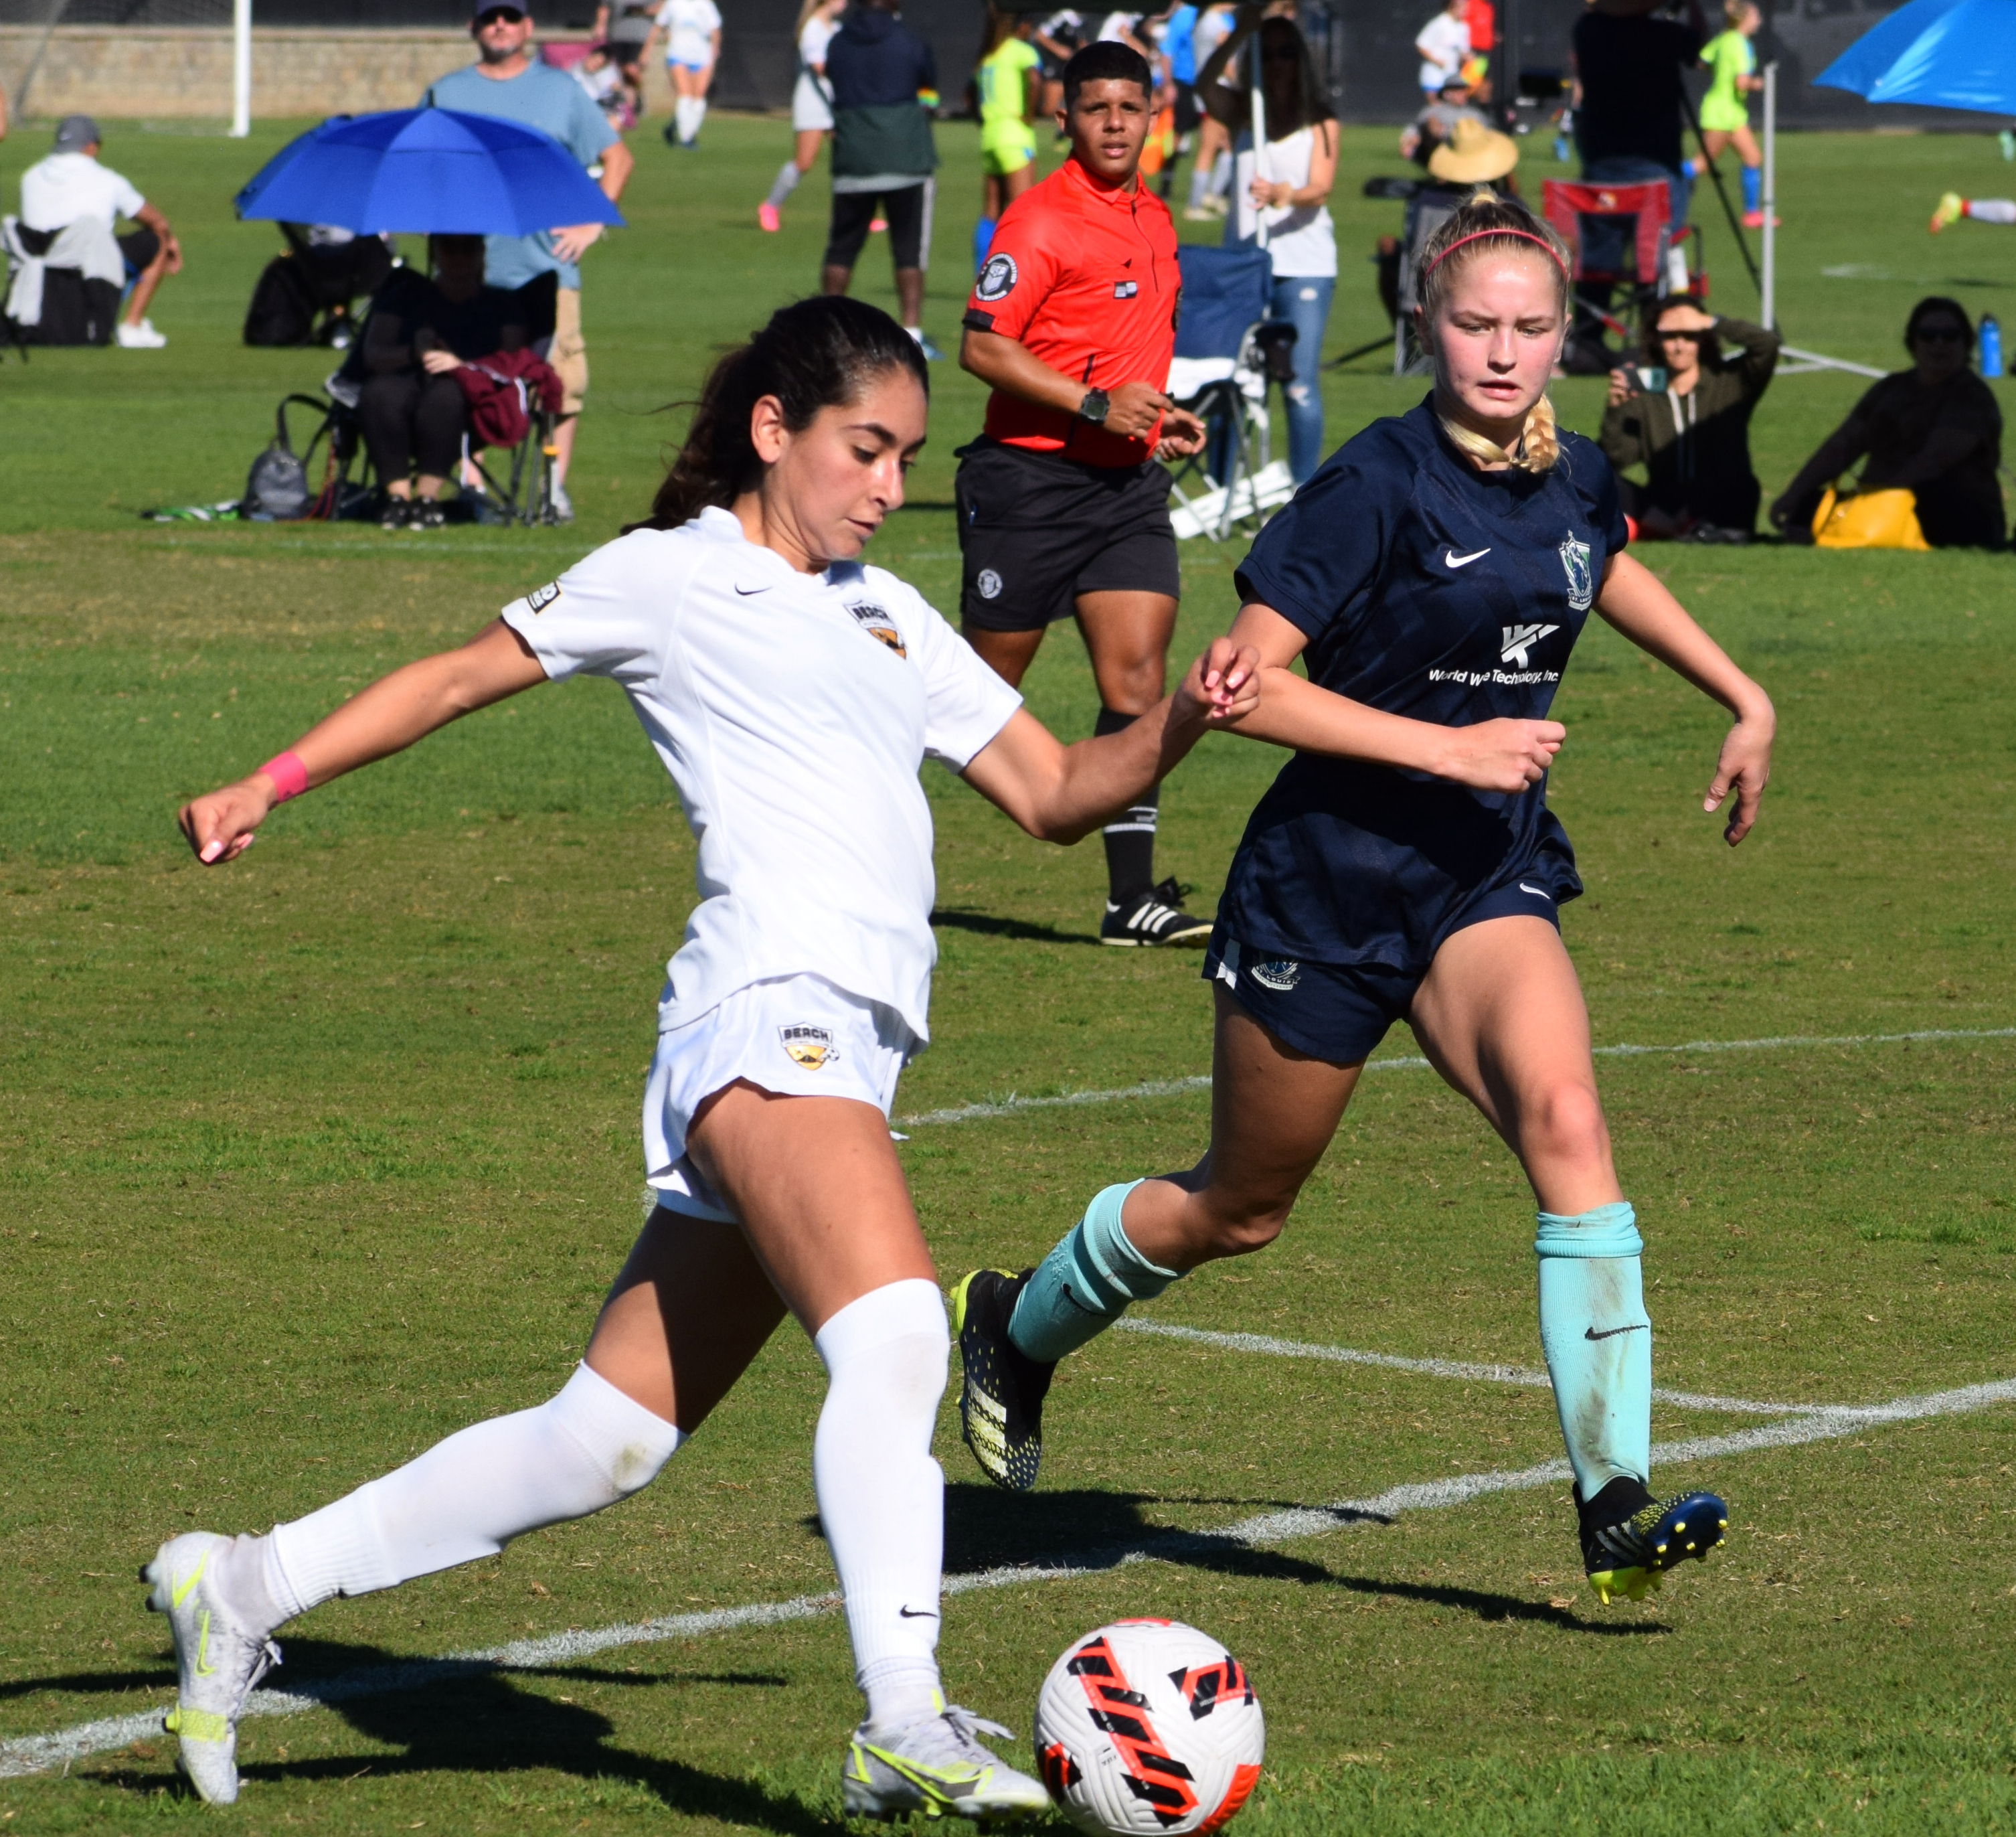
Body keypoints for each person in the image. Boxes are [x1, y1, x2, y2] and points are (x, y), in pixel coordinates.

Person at [145, 292, 1258, 1815]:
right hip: (761, 1011)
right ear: (772, 430)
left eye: (905, 458)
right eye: (864, 450)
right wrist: (269, 778)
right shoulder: (670, 580)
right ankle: (905, 1720)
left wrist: (1191, 712)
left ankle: (246, 1586)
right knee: (897, 1337)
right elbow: (460, 676)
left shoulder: (886, 610)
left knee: (600, 1442)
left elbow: (1060, 788)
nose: (886, 486)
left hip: (846, 1048)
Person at [953, 191, 1776, 1616]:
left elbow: (1606, 566)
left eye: (1529, 328)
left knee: (1570, 1125)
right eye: (1475, 326)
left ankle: (1615, 1501)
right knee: (1240, 1207)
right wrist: (1450, 745)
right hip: (1326, 883)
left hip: (1482, 870)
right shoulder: (1374, 481)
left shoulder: (1575, 474)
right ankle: (1016, 1327)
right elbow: (1246, 681)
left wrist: (1743, 691)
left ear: (1564, 338)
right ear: (1428, 329)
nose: (1503, 353)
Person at [956, 39, 1214, 947]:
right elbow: (981, 346)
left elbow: (1123, 348)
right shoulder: (1037, 220)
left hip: (1125, 486)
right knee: (972, 697)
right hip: (1026, 482)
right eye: (1095, 107)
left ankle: (1131, 900)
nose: (1114, 123)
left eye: (1129, 108)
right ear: (1062, 117)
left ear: (1153, 116)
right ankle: (838, 841)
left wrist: (1156, 416)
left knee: (1139, 680)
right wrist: (1096, 403)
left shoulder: (1154, 215)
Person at [424, 1, 635, 524]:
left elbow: (618, 157)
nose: (501, 26)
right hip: (464, 277)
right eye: (491, 17)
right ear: (473, 26)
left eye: (511, 17)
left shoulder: (560, 91)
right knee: (463, 379)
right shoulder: (446, 94)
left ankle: (552, 488)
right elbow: (420, 167)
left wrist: (592, 222)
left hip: (547, 269)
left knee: (561, 381)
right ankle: (470, 483)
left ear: (528, 28)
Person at [1199, 7, 1338, 485]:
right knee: (1232, 378)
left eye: (1286, 54)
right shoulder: (1243, 112)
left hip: (1304, 264)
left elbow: (1319, 187)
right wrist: (1242, 32)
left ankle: (1304, 487)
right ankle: (1223, 485)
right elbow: (1204, 84)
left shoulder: (1319, 120)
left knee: (1297, 383)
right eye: (1268, 54)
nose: (1278, 64)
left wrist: (1283, 194)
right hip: (1245, 264)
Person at [1770, 297, 2005, 550]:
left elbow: (1936, 458)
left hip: (1948, 507)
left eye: (1950, 335)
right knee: (1810, 504)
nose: (1939, 344)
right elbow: (1845, 443)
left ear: (1966, 343)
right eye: (1928, 335)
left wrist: (1882, 497)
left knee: (1939, 496)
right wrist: (1795, 494)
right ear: (1912, 343)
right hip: (1881, 499)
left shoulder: (1971, 397)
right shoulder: (1891, 389)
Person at [357, 234, 537, 530]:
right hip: (407, 380)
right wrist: (414, 352)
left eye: (467, 248)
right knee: (380, 393)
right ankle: (398, 498)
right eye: (449, 248)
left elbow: (514, 361)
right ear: (435, 253)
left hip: (472, 394)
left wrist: (463, 366)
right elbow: (372, 354)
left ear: (481, 253)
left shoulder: (502, 304)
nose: (459, 257)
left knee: (446, 396)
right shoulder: (406, 296)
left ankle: (427, 499)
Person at [823, 0, 942, 358]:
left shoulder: (838, 42)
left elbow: (833, 81)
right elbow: (929, 88)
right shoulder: (909, 41)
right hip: (906, 156)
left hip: (853, 156)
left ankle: (827, 331)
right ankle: (911, 333)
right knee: (909, 250)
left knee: (841, 247)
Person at [1600, 303, 1777, 541]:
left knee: (1741, 484)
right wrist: (1616, 410)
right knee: (1595, 471)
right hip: (1664, 503)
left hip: (1722, 499)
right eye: (1670, 337)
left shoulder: (1728, 381)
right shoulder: (1645, 388)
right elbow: (1617, 458)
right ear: (1656, 340)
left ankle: (1673, 528)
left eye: (1689, 336)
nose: (1679, 346)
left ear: (1703, 340)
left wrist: (1712, 322)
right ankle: (1671, 526)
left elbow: (1767, 345)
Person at [19, 114, 181, 349]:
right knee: (155, 241)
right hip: (90, 265)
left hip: (42, 267)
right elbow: (158, 222)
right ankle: (131, 327)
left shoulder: (29, 178)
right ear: (91, 147)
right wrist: (169, 241)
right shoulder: (109, 181)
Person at [1572, 0, 1703, 229]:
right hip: (1656, 161)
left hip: (1601, 161)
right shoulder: (1664, 35)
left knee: (1602, 258)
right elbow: (1697, 47)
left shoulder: (1587, 30)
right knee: (1657, 247)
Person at [760, 0, 847, 232]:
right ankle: (770, 207)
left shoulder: (837, 28)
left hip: (837, 99)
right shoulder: (812, 29)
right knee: (804, 162)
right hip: (813, 100)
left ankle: (859, 215)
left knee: (851, 158)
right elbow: (819, 67)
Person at [973, 6, 1043, 269]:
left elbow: (970, 95)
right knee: (1022, 212)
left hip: (990, 135)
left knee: (991, 211)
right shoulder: (1020, 50)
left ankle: (981, 272)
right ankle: (1019, 275)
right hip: (1014, 135)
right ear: (1022, 26)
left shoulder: (990, 53)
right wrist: (1029, 115)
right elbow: (1034, 80)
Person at [1693, 0, 1766, 228]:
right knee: (1701, 165)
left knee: (1753, 158)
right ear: (1744, 20)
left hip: (1732, 113)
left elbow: (1701, 62)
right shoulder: (1741, 45)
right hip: (1721, 114)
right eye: (1755, 17)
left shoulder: (1723, 39)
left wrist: (1721, 71)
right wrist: (1757, 83)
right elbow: (1742, 82)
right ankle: (1661, 183)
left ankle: (1751, 214)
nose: (1759, 21)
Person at [1182, 0, 1238, 218]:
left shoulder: (1203, 22)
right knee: (1208, 147)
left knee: (1227, 145)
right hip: (1216, 91)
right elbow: (1224, 60)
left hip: (1209, 90)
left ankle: (1211, 195)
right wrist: (1240, 84)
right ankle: (1194, 205)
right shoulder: (1216, 25)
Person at [652, 0, 722, 149]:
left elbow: (715, 30)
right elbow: (659, 25)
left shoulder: (706, 4)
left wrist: (714, 53)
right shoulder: (673, 4)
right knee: (685, 96)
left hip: (702, 55)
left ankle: (681, 130)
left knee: (698, 100)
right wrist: (646, 52)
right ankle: (686, 138)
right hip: (678, 53)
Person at [1415, 0, 1471, 102]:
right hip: (1434, 74)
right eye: (1463, 9)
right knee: (1436, 107)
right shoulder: (1439, 23)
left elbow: (1463, 50)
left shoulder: (1463, 27)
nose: (1465, 12)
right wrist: (1437, 61)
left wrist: (1467, 57)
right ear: (1452, 7)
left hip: (1451, 75)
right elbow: (1421, 45)